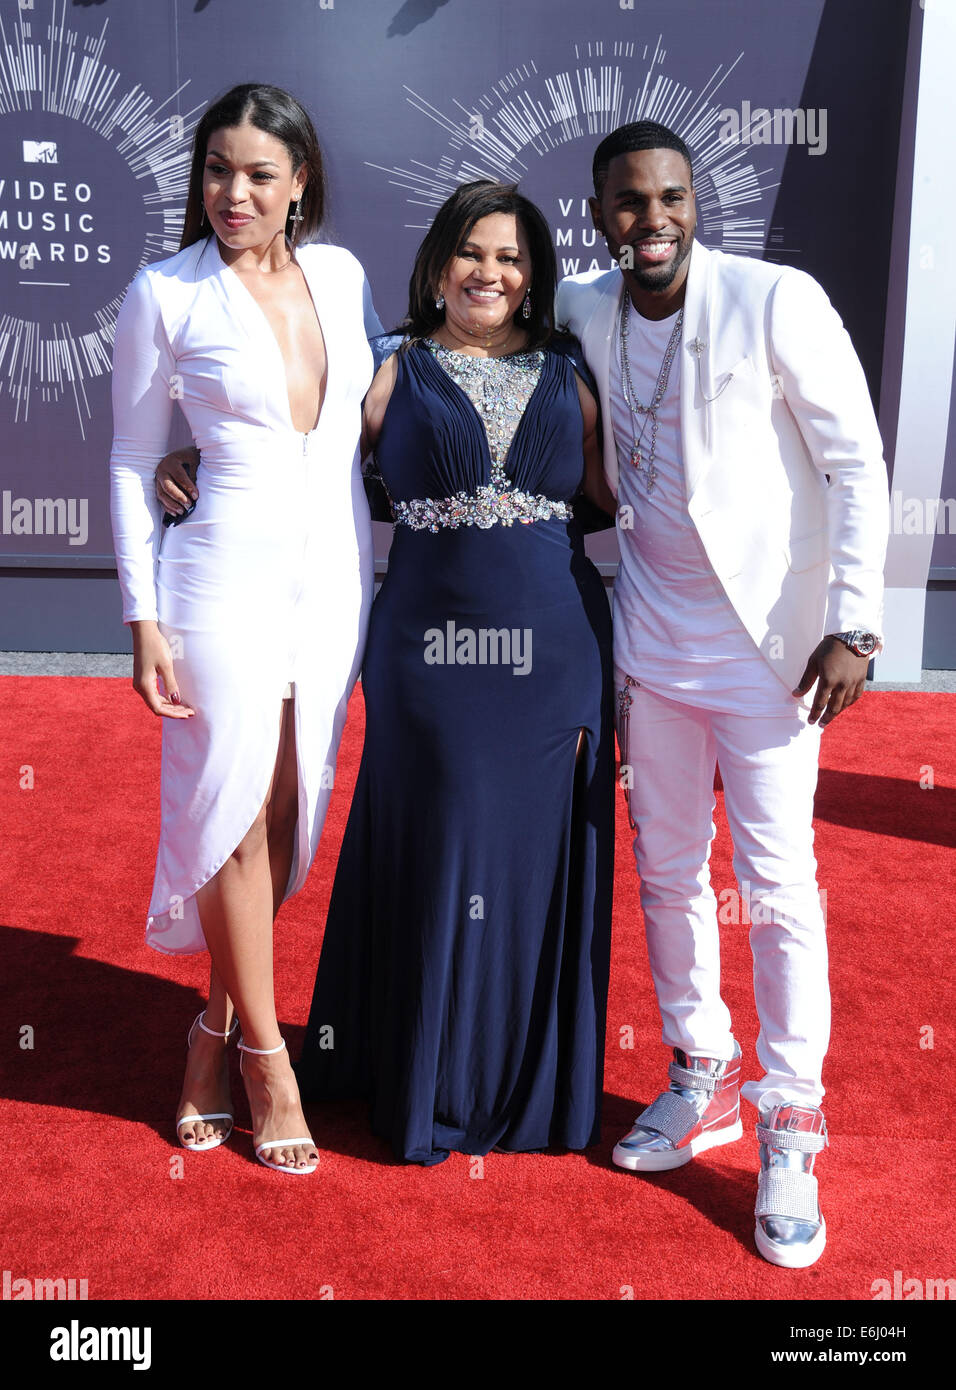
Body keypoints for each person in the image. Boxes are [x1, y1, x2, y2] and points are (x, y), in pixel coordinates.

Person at [556, 121, 888, 1267]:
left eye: (671, 198)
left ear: (694, 202)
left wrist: (853, 621)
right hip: (652, 644)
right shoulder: (583, 306)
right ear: (597, 213)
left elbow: (853, 460)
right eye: (629, 202)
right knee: (663, 869)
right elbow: (458, 331)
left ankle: (789, 1117)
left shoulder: (773, 299)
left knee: (775, 882)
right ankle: (700, 1067)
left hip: (769, 653)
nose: (653, 220)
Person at [287, 180, 616, 1165]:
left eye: (510, 257)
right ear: (436, 264)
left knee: (528, 858)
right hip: (429, 654)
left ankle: (517, 1088)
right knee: (441, 842)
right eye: (472, 252)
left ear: (533, 274)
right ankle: (425, 1077)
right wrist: (188, 460)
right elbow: (286, 460)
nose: (490, 272)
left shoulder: (571, 365)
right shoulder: (385, 364)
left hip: (552, 651)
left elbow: (626, 492)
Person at [109, 83, 381, 1174]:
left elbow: (372, 408)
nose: (234, 193)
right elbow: (133, 459)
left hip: (335, 582)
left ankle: (211, 1029)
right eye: (217, 171)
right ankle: (269, 1060)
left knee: (283, 810)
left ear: (298, 180)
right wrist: (141, 616)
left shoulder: (341, 275)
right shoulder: (165, 293)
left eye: (260, 174)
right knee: (225, 803)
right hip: (216, 580)